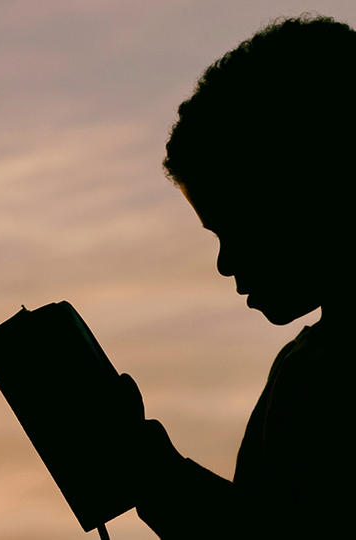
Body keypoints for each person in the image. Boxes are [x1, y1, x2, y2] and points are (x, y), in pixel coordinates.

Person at [121, 14, 356, 539]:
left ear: (303, 192)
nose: (226, 263)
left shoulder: (318, 378)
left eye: (234, 227)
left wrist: (154, 479)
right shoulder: (309, 370)